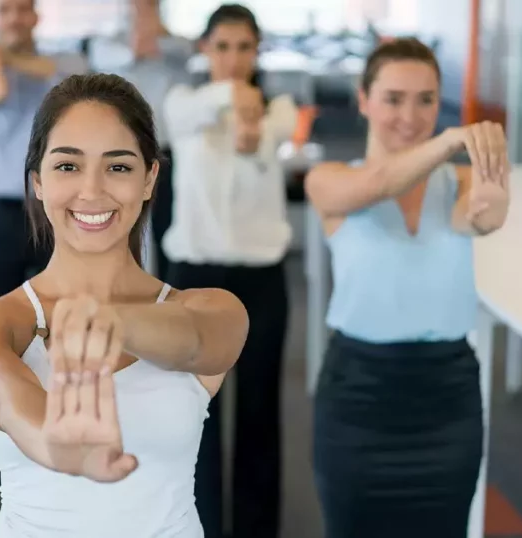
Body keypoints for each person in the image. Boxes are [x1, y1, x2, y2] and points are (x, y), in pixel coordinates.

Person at [0, 72, 249, 537]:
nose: (91, 191)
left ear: (149, 179)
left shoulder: (212, 310)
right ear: (38, 181)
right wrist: (59, 446)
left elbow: (196, 344)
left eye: (118, 167)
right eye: (68, 166)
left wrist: (110, 321)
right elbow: (12, 403)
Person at [304, 38, 510, 537]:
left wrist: (490, 211)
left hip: (447, 399)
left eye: (426, 100)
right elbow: (378, 185)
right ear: (364, 100)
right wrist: (447, 141)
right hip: (358, 397)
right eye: (393, 99)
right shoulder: (329, 179)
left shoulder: (459, 182)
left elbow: (476, 217)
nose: (410, 117)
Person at [161, 5, 297, 537]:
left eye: (244, 47)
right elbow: (184, 118)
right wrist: (232, 96)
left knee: (260, 408)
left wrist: (247, 113)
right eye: (222, 47)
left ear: (258, 51)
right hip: (195, 276)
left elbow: (259, 138)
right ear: (205, 49)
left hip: (261, 277)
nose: (234, 58)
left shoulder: (279, 109)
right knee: (195, 414)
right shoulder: (183, 102)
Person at [0, 0, 84, 488]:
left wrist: (10, 58)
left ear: (35, 17)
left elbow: (73, 91)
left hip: (54, 212)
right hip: (1, 213)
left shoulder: (61, 69)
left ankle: (66, 440)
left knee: (64, 329)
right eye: (5, 10)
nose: (15, 19)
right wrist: (2, 61)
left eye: (23, 9)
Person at [89, 0, 193, 278]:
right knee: (121, 228)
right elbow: (103, 55)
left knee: (167, 229)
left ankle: (167, 296)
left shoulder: (175, 46)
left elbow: (186, 51)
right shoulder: (109, 44)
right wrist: (135, 48)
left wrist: (157, 37)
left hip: (166, 153)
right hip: (121, 155)